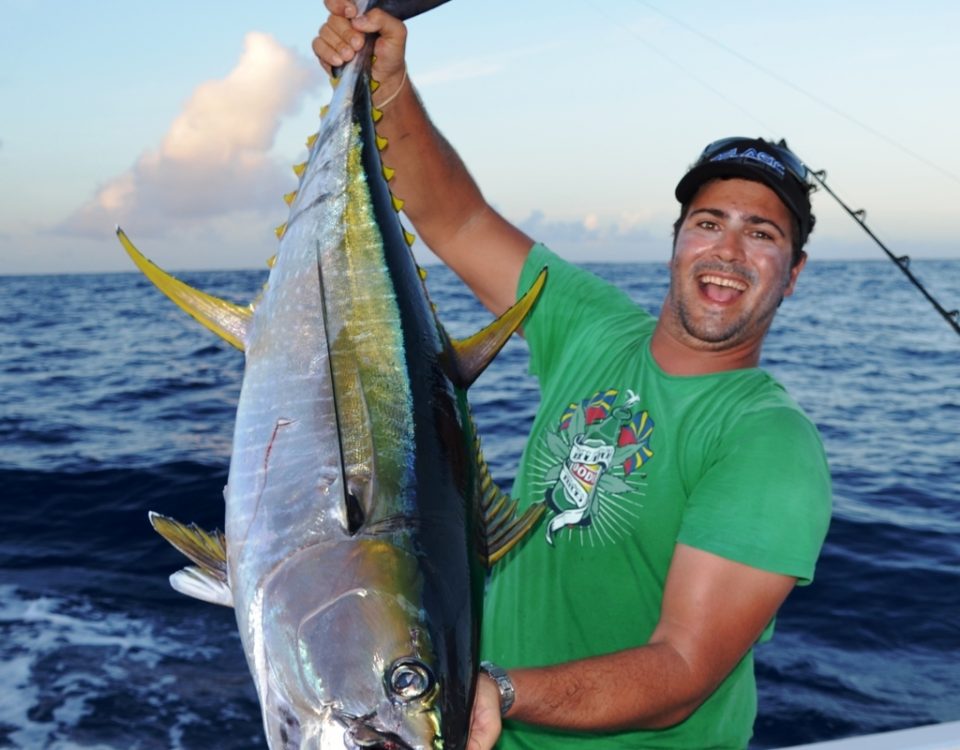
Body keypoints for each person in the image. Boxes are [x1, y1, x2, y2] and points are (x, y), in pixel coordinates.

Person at [314, 4, 832, 749]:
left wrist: (503, 691)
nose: (728, 252)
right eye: (710, 222)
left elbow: (682, 669)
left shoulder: (768, 443)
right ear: (676, 242)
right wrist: (385, 80)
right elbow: (454, 221)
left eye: (762, 234)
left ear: (793, 274)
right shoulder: (593, 325)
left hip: (506, 712)